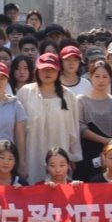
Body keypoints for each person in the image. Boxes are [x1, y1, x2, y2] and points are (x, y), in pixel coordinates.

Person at [16, 52, 81, 183]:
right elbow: (19, 131)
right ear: (37, 70)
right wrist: (21, 161)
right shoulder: (25, 93)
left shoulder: (69, 96)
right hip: (32, 154)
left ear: (58, 71)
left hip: (59, 156)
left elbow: (74, 129)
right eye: (44, 69)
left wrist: (73, 157)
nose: (48, 72)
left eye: (52, 69)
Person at [76, 61, 112, 181]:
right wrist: (105, 141)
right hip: (88, 150)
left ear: (110, 78)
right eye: (97, 76)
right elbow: (81, 127)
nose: (101, 80)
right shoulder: (81, 100)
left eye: (105, 77)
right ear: (90, 77)